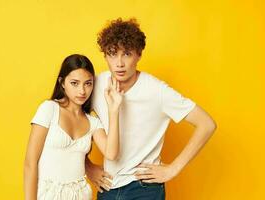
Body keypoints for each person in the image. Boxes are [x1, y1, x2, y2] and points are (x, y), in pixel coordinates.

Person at [85, 18, 217, 200]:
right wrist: (88, 167)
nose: (119, 63)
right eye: (112, 54)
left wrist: (173, 169)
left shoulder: (157, 91)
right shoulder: (96, 85)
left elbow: (207, 124)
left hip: (144, 188)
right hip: (108, 187)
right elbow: (71, 122)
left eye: (127, 54)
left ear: (139, 55)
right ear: (105, 56)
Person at [24, 54, 124, 200]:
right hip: (47, 195)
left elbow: (111, 153)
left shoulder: (92, 122)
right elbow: (30, 163)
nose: (82, 91)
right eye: (75, 83)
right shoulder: (49, 109)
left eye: (88, 83)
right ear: (62, 83)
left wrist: (114, 111)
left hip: (80, 195)